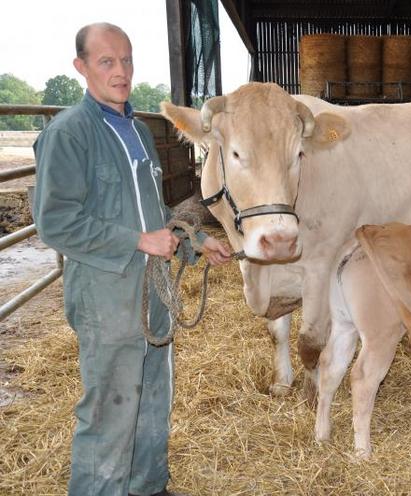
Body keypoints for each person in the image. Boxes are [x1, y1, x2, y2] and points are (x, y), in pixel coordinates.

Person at [32, 22, 232, 495]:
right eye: (106, 61)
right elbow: (55, 222)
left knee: (154, 395)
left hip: (152, 290)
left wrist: (194, 241)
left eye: (126, 60)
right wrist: (139, 242)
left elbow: (152, 214)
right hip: (107, 296)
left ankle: (148, 485)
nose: (120, 71)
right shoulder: (69, 133)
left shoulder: (140, 130)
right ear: (81, 67)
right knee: (110, 410)